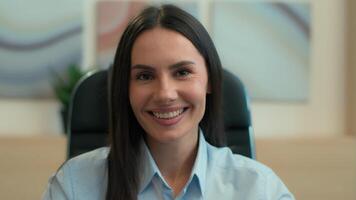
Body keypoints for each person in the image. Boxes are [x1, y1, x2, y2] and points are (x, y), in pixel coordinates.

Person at [43, 4, 294, 200]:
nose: (165, 94)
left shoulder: (260, 188)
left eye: (182, 72)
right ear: (125, 89)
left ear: (210, 81)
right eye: (144, 76)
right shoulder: (73, 186)